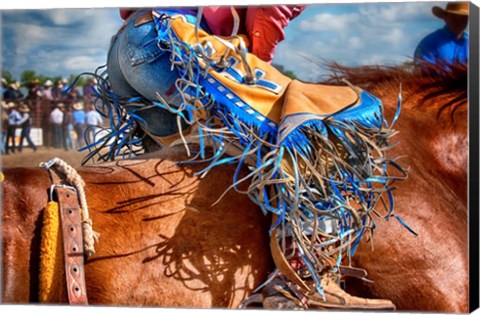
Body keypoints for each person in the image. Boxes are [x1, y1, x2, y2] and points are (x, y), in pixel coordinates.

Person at [108, 6, 306, 138]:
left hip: (125, 47)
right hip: (167, 45)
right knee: (267, 132)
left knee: (169, 161)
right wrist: (257, 72)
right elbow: (269, 8)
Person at [414, 2, 469, 66]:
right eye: (454, 18)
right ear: (445, 18)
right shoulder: (429, 42)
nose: (458, 22)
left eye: (463, 18)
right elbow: (421, 68)